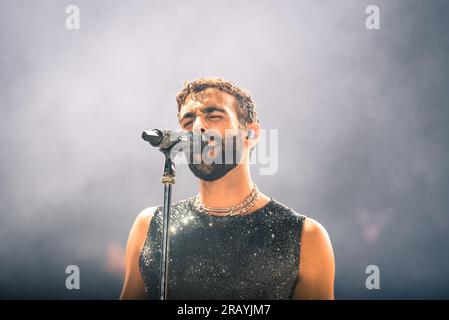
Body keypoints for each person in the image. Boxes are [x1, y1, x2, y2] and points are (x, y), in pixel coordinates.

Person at [120, 77, 335, 299]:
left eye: (213, 115)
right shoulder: (151, 225)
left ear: (251, 134)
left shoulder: (305, 237)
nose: (198, 127)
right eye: (187, 122)